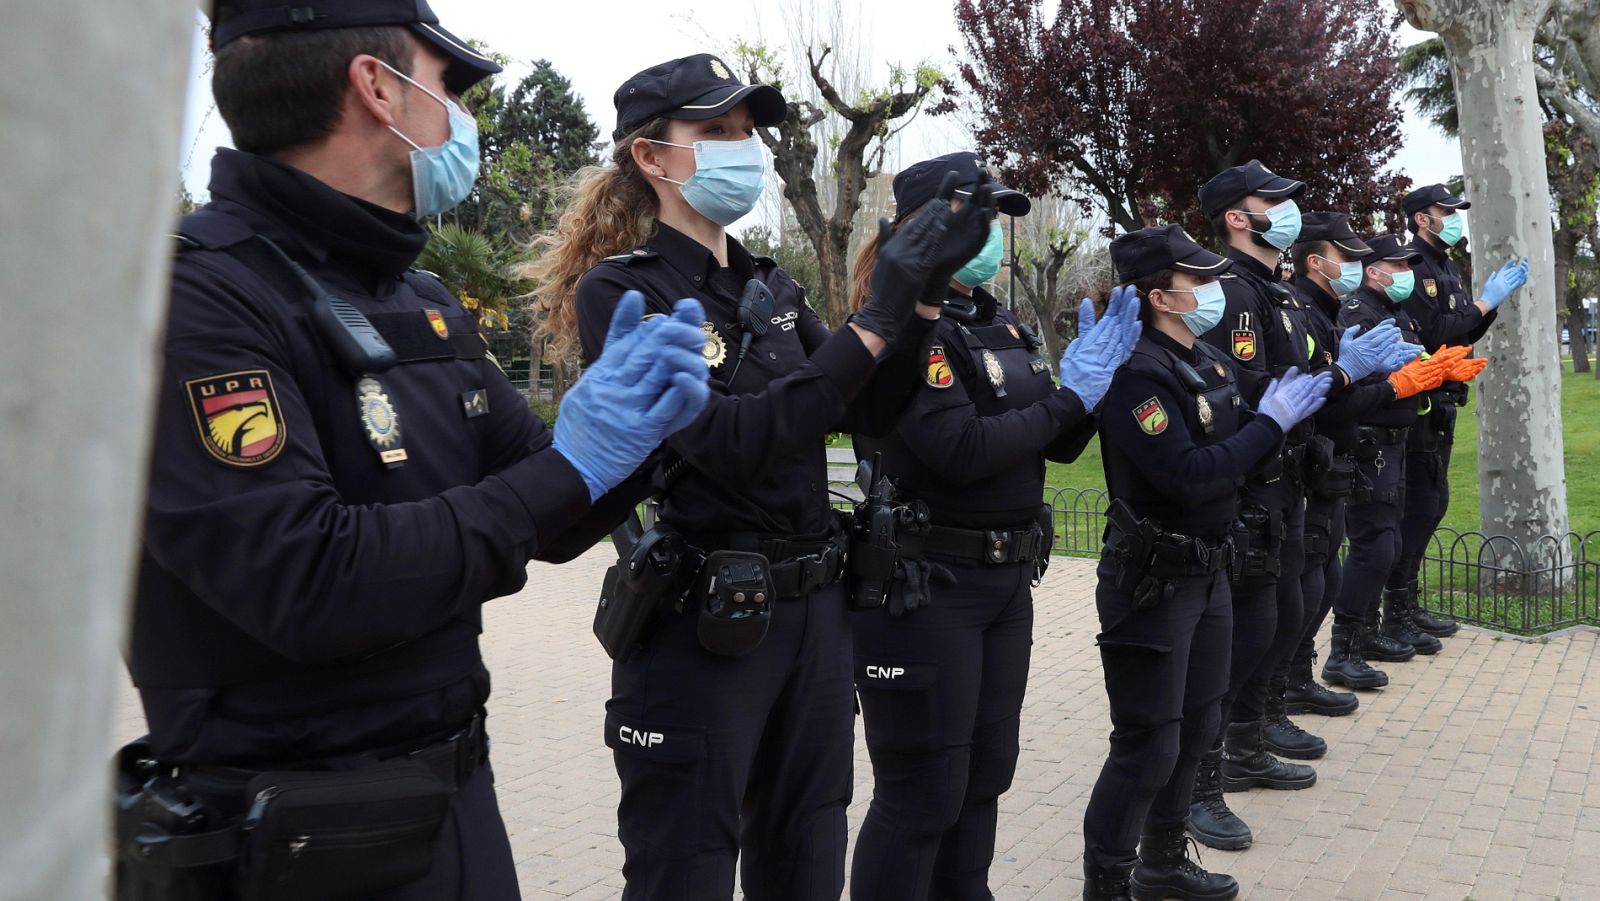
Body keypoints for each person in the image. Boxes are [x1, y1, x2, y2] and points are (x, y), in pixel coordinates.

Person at [117, 4, 712, 900]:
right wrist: (571, 462)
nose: (460, 117)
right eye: (445, 85)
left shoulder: (421, 295)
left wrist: (639, 438)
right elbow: (310, 580)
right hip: (290, 839)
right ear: (375, 88)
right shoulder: (199, 302)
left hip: (451, 804)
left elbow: (545, 513)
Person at [531, 56, 997, 900]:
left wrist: (920, 301)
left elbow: (870, 409)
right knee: (689, 869)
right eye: (715, 131)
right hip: (708, 624)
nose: (740, 147)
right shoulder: (622, 292)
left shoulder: (770, 285)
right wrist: (876, 316)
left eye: (746, 130)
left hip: (814, 618)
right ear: (652, 157)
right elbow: (730, 441)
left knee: (808, 859)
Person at [845, 152, 1142, 901]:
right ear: (919, 229)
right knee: (923, 789)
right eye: (976, 216)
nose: (993, 234)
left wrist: (1094, 387)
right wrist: (1068, 401)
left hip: (1004, 580)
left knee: (984, 774)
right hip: (927, 584)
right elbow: (961, 449)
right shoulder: (907, 332)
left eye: (996, 219)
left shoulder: (996, 321)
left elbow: (1057, 441)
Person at [1082, 224, 1331, 901]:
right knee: (1147, 745)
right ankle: (1107, 881)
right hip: (1153, 580)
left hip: (1207, 571)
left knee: (1197, 726)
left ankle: (1163, 861)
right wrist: (1268, 426)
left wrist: (1278, 419)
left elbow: (1233, 456)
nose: (1212, 289)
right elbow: (1189, 475)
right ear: (1161, 295)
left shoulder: (1207, 362)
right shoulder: (1135, 372)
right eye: (1198, 278)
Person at [1272, 214, 1427, 730]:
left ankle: (1299, 678)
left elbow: (1341, 395)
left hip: (1335, 456)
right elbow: (1327, 399)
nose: (1358, 266)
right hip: (1318, 457)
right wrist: (1391, 388)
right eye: (1351, 256)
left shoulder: (1326, 309)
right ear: (1316, 260)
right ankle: (1286, 689)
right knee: (1315, 574)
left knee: (1324, 573)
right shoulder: (1303, 310)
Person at [1386, 185, 1527, 642]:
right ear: (1421, 218)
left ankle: (1408, 601)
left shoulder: (1446, 265)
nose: (1453, 218)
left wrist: (1487, 306)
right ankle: (1396, 611)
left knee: (1432, 504)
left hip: (1443, 402)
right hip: (1420, 402)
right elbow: (1433, 333)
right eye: (1445, 211)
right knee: (1418, 506)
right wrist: (1484, 303)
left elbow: (1462, 330)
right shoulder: (1413, 266)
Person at [1331, 235, 1471, 686]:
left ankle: (1376, 627)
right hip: (1371, 440)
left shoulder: (1395, 311)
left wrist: (1440, 370)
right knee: (1374, 544)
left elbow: (1414, 362)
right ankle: (1344, 647)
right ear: (1375, 271)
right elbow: (1367, 375)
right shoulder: (1360, 311)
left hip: (1399, 436)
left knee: (1393, 536)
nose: (1407, 272)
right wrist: (1413, 377)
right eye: (1398, 265)